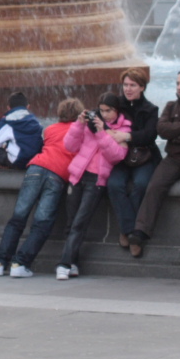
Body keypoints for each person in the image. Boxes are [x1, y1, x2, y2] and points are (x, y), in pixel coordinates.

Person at [0, 98, 80, 277]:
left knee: (18, 217)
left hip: (36, 168)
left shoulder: (50, 129)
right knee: (42, 222)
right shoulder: (79, 132)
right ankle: (19, 264)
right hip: (57, 176)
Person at [128, 67, 180, 262]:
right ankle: (141, 231)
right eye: (178, 83)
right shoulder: (171, 106)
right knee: (154, 186)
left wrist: (178, 132)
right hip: (172, 159)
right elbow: (162, 130)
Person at [54, 94, 130, 279]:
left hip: (96, 180)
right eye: (102, 110)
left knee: (80, 222)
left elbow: (116, 156)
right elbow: (70, 146)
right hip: (77, 176)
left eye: (108, 111)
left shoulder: (124, 129)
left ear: (117, 110)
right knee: (71, 223)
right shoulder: (91, 122)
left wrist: (101, 132)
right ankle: (73, 263)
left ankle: (63, 264)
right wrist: (79, 124)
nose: (104, 114)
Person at [108, 68, 159, 254]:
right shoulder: (116, 104)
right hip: (120, 156)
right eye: (125, 85)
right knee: (114, 184)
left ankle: (134, 232)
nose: (128, 89)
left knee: (141, 184)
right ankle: (129, 231)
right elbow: (102, 118)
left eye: (133, 85)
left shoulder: (151, 109)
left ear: (142, 87)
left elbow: (150, 135)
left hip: (143, 156)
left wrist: (127, 136)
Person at [0, 92, 43, 168]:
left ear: (8, 108)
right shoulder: (37, 122)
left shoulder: (8, 121)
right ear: (28, 107)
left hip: (19, 162)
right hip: (35, 162)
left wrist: (5, 147)